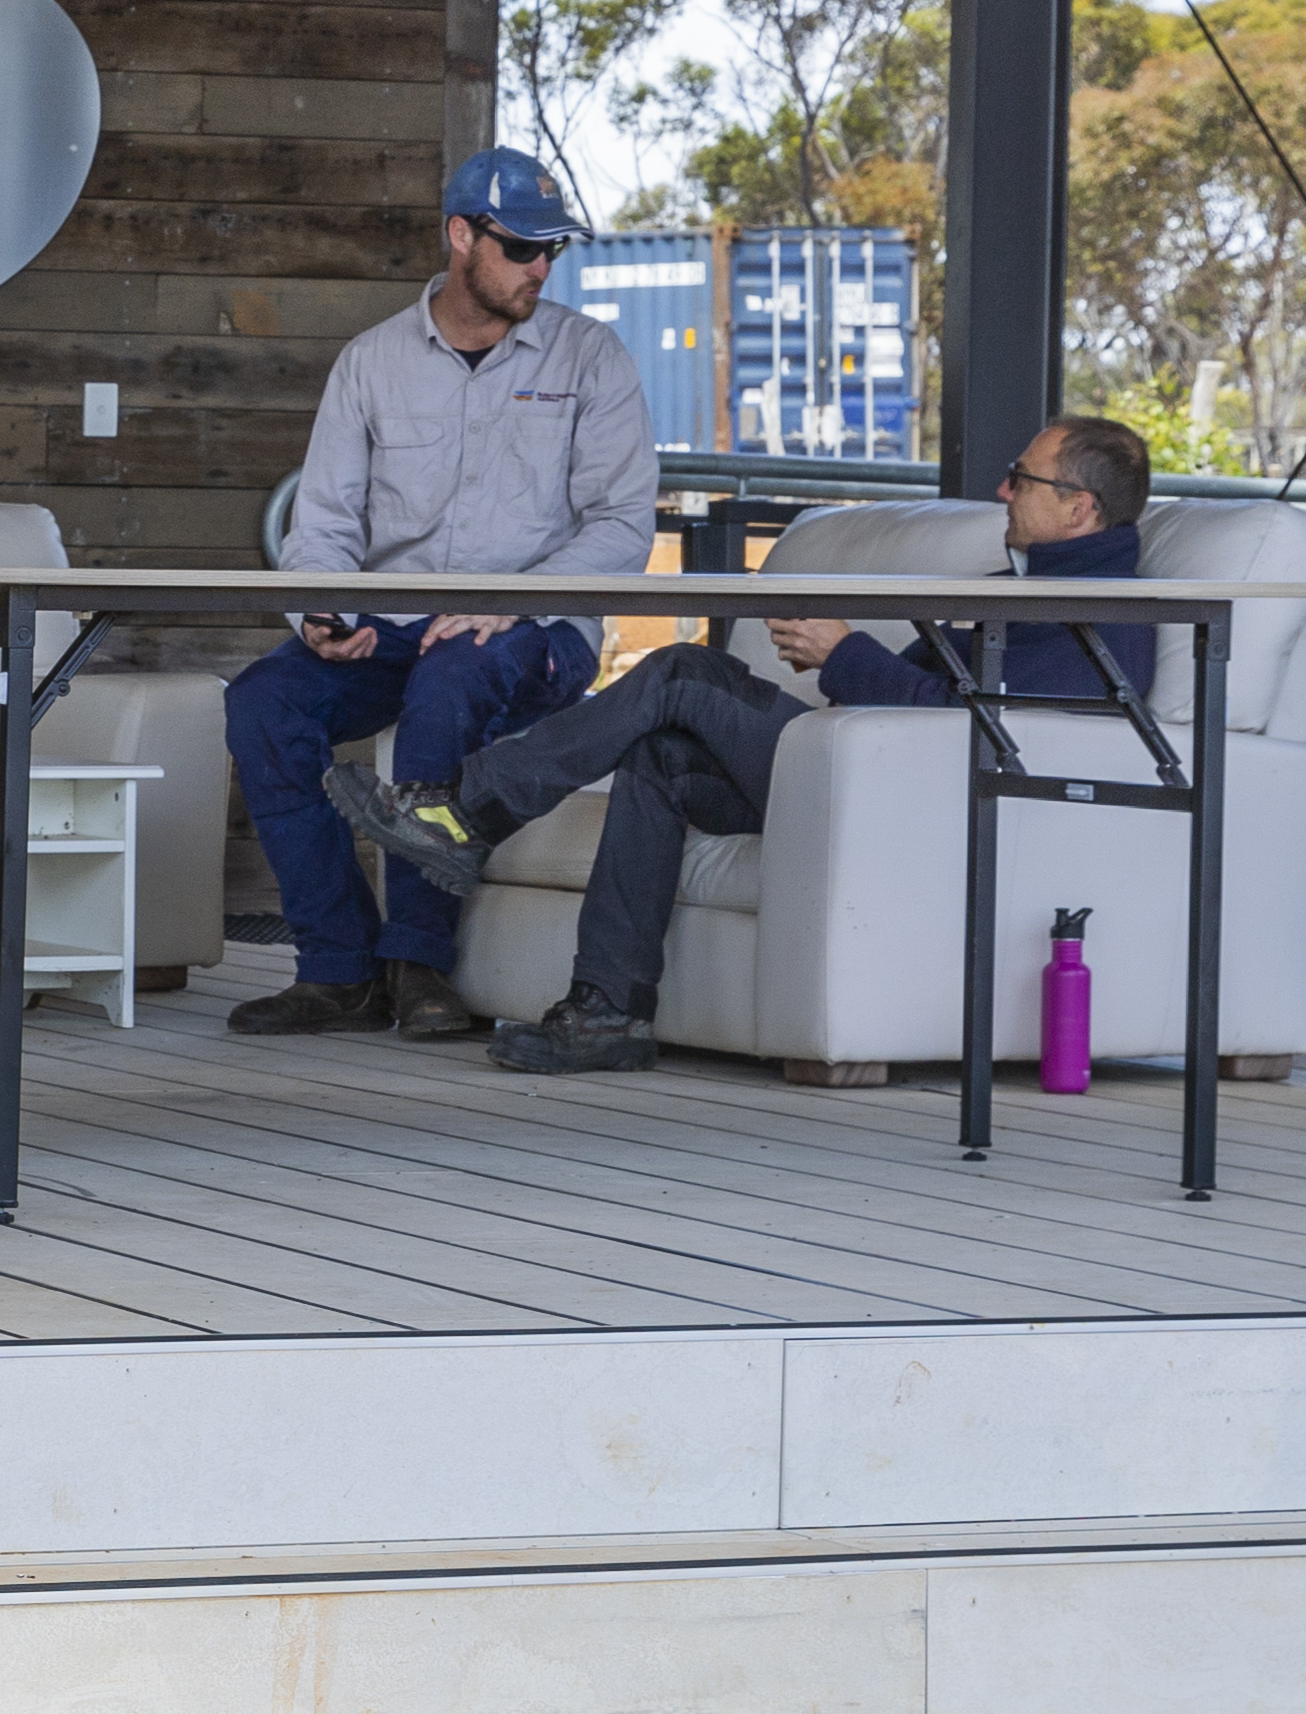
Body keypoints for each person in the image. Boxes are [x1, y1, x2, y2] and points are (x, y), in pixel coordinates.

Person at [324, 415, 1161, 1076]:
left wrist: (845, 656)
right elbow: (934, 691)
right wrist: (844, 662)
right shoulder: (1013, 592)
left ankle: (466, 810)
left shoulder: (1104, 616)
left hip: (914, 797)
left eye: (1022, 478)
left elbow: (985, 732)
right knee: (662, 756)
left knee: (684, 672)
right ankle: (608, 1010)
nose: (1001, 488)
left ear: (1080, 507)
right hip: (862, 770)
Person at [225, 148, 657, 1040]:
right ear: (462, 236)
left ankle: (419, 961)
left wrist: (516, 600)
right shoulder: (371, 362)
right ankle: (338, 968)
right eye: (522, 248)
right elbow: (326, 523)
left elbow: (621, 525)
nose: (541, 268)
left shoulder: (592, 358)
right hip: (394, 624)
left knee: (451, 677)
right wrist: (319, 610)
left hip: (535, 632)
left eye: (554, 251)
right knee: (263, 701)